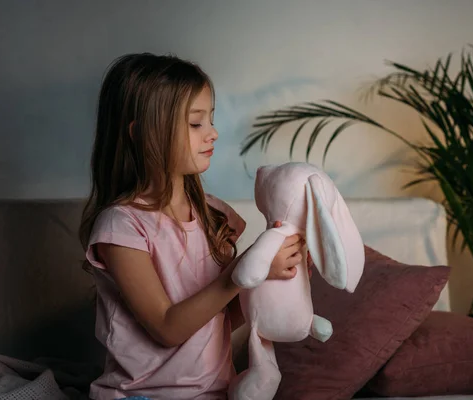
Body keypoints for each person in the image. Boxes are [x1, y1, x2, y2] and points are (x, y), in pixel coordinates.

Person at [79, 53, 305, 400]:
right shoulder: (121, 227)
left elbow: (223, 315)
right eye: (196, 123)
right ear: (142, 134)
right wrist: (240, 272)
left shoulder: (214, 213)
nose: (213, 133)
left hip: (212, 393)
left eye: (210, 120)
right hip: (142, 396)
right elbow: (167, 328)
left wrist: (266, 272)